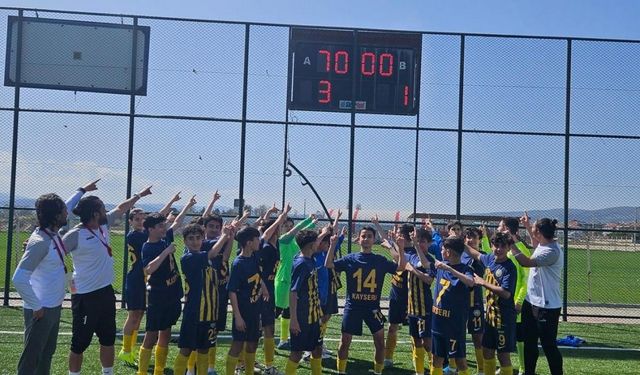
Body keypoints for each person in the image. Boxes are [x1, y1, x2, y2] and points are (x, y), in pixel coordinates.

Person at [62, 185, 152, 375]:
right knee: (79, 343)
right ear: (95, 214)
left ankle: (107, 372)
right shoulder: (75, 235)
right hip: (85, 297)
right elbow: (55, 255)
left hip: (106, 293)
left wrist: (139, 195)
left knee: (108, 338)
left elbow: (121, 208)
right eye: (102, 208)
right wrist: (70, 282)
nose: (106, 210)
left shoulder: (103, 225)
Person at [12, 180, 98, 375]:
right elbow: (19, 278)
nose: (67, 213)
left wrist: (82, 190)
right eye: (63, 211)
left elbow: (67, 205)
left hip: (52, 306)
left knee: (46, 354)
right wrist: (36, 306)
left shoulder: (52, 233)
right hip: (41, 310)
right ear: (55, 216)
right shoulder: (40, 242)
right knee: (31, 359)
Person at [325, 226, 406, 375]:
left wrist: (400, 248)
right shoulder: (351, 258)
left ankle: (377, 372)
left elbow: (401, 267)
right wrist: (332, 245)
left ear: (374, 240)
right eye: (363, 236)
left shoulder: (379, 260)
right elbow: (328, 264)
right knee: (344, 342)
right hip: (352, 307)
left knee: (380, 343)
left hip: (373, 308)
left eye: (369, 236)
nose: (366, 239)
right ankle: (341, 372)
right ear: (358, 238)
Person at [118, 192, 182, 366]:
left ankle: (129, 351)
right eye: (136, 219)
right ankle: (126, 350)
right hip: (137, 278)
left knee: (139, 316)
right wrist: (167, 212)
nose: (140, 221)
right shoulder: (136, 236)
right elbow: (155, 223)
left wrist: (171, 203)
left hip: (147, 279)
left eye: (141, 218)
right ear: (130, 221)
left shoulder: (147, 234)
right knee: (134, 316)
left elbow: (157, 221)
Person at [137, 198, 196, 375]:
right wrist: (165, 252)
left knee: (166, 332)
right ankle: (141, 371)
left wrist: (189, 205)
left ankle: (158, 369)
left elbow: (177, 222)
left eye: (164, 225)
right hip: (158, 295)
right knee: (151, 334)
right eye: (160, 226)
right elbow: (148, 269)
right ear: (150, 229)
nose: (164, 228)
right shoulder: (148, 247)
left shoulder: (165, 238)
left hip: (172, 293)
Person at [173, 223, 233, 375]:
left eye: (198, 238)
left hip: (210, 313)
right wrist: (224, 235)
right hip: (194, 313)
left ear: (203, 238)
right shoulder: (188, 258)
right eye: (191, 238)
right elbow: (212, 253)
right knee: (186, 350)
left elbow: (223, 256)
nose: (195, 241)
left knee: (204, 349)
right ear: (185, 241)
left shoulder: (207, 257)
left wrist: (230, 236)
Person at [509, 214, 564, 375]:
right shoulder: (542, 244)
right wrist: (527, 225)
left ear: (540, 232)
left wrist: (512, 243)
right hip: (531, 302)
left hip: (547, 306)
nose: (532, 233)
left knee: (548, 345)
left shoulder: (552, 251)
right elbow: (534, 240)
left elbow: (526, 262)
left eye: (534, 229)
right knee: (529, 343)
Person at [465, 232, 518, 375]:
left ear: (508, 248)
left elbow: (506, 293)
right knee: (487, 352)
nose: (498, 249)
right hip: (490, 317)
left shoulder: (509, 267)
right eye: (496, 245)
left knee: (503, 356)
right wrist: (460, 243)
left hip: (503, 318)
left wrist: (483, 282)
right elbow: (475, 254)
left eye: (502, 246)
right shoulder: (489, 259)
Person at [225, 226, 269, 375]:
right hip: (243, 312)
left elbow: (258, 275)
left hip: (255, 311)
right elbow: (232, 291)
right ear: (249, 242)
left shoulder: (255, 257)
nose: (259, 241)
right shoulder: (238, 264)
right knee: (237, 345)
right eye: (257, 239)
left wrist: (263, 286)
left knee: (252, 345)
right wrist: (237, 316)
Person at [492, 217, 533, 374]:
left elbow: (525, 280)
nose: (498, 228)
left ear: (508, 230)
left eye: (500, 227)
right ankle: (504, 367)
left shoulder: (521, 250)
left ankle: (523, 368)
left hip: (514, 303)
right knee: (500, 335)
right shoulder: (503, 249)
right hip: (500, 302)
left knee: (520, 338)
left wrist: (519, 301)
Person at [284, 229, 328, 375]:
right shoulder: (301, 263)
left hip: (314, 315)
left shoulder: (310, 258)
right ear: (311, 245)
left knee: (317, 349)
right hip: (302, 317)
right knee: (296, 353)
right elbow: (293, 292)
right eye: (317, 241)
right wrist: (294, 320)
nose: (319, 243)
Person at [430, 236, 475, 375]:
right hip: (438, 320)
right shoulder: (441, 265)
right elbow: (426, 263)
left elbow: (470, 282)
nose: (441, 251)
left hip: (454, 324)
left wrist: (450, 269)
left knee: (459, 359)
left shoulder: (465, 268)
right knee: (436, 357)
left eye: (443, 249)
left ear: (448, 252)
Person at [274, 211, 317, 350]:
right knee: (273, 313)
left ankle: (283, 339)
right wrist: (307, 221)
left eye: (290, 225)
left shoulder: (296, 243)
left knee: (288, 311)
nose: (289, 227)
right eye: (285, 225)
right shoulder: (283, 241)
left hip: (294, 282)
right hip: (283, 282)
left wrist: (312, 224)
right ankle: (260, 336)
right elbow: (297, 231)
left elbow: (302, 235)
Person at [384, 223, 416, 368]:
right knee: (392, 326)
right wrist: (377, 225)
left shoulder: (413, 251)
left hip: (410, 295)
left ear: (404, 236)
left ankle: (417, 360)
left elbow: (399, 260)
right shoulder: (397, 246)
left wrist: (391, 247)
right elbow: (387, 241)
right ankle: (388, 357)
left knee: (414, 330)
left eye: (398, 232)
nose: (395, 234)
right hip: (396, 293)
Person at [406, 227, 437, 375]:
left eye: (422, 241)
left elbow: (429, 280)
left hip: (424, 307)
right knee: (416, 341)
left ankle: (434, 370)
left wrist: (413, 271)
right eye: (417, 240)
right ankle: (419, 372)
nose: (419, 243)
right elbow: (397, 256)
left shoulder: (430, 259)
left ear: (429, 243)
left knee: (427, 342)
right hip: (412, 307)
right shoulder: (411, 256)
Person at [460, 227, 486, 375]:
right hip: (459, 302)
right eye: (468, 237)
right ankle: (454, 366)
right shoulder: (459, 255)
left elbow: (480, 274)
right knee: (458, 334)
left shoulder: (481, 257)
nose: (471, 240)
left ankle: (481, 369)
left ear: (479, 240)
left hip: (474, 302)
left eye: (474, 237)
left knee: (477, 336)